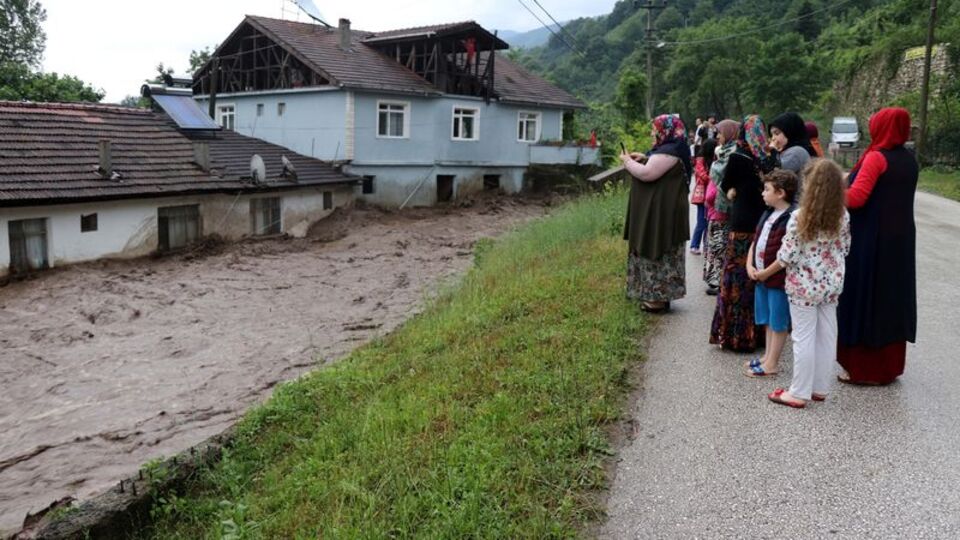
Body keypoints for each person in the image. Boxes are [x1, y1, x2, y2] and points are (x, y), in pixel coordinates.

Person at [836, 107, 918, 385]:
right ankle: (889, 367)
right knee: (891, 300)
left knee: (866, 298)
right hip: (900, 241)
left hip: (871, 239)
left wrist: (828, 194)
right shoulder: (909, 160)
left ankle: (864, 368)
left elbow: (857, 198)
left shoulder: (876, 158)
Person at [767, 159, 851, 408]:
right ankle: (820, 387)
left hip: (803, 285)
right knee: (826, 335)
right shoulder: (843, 216)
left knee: (803, 337)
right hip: (832, 283)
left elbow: (787, 255)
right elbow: (845, 248)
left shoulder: (799, 218)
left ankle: (799, 392)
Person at [710, 115, 773, 352]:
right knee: (756, 277)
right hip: (763, 223)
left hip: (741, 224)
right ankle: (757, 334)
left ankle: (735, 334)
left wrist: (734, 190)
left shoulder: (738, 156)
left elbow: (725, 186)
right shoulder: (768, 158)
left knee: (736, 277)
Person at [621, 114, 692, 313]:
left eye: (655, 130)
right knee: (664, 250)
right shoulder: (674, 148)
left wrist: (627, 161)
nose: (653, 133)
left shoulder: (669, 152)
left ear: (666, 131)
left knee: (657, 246)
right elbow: (655, 164)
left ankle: (656, 299)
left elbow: (647, 173)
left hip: (663, 213)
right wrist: (645, 157)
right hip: (666, 210)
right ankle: (661, 296)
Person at [744, 169, 798, 378]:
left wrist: (766, 272)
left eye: (767, 189)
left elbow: (786, 254)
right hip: (761, 277)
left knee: (778, 321)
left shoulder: (790, 217)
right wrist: (750, 265)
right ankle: (767, 357)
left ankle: (772, 363)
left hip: (776, 279)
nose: (762, 193)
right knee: (767, 320)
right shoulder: (767, 212)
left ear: (781, 193)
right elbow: (755, 241)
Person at [703, 119, 740, 295]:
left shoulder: (732, 154)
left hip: (723, 207)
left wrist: (712, 195)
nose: (718, 136)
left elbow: (725, 181)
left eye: (720, 132)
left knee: (720, 245)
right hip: (715, 206)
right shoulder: (724, 152)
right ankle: (715, 281)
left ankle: (719, 283)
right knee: (715, 244)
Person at [768, 112, 816, 177]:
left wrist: (772, 152)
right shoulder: (785, 151)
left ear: (789, 132)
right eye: (771, 135)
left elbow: (776, 174)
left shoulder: (797, 152)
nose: (773, 138)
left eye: (777, 133)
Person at [689, 139, 714, 254]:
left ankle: (706, 245)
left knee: (708, 222)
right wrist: (714, 179)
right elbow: (702, 175)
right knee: (701, 221)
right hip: (702, 195)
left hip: (710, 194)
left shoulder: (713, 160)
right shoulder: (700, 161)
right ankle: (694, 245)